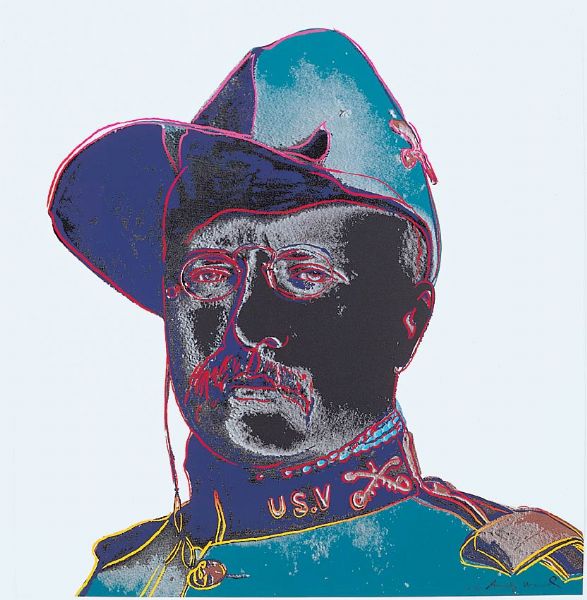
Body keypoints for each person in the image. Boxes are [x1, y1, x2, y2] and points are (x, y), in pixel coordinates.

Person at [48, 29, 583, 597]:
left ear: (409, 323)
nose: (246, 325)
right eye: (209, 275)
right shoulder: (122, 586)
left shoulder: (518, 583)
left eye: (304, 275)